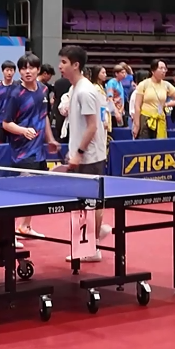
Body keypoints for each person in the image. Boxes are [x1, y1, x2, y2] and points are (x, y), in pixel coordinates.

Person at [58, 45, 111, 263]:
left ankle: (92, 247)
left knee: (90, 203)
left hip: (90, 156)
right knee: (84, 203)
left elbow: (92, 126)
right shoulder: (75, 89)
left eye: (64, 62)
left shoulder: (85, 91)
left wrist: (79, 153)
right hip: (82, 154)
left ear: (76, 65)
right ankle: (95, 238)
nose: (60, 66)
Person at [2, 53, 60, 241]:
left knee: (35, 191)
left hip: (39, 150)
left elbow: (44, 117)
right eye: (24, 68)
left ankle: (24, 227)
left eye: (31, 68)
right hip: (22, 151)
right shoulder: (15, 94)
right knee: (21, 193)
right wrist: (23, 131)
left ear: (38, 70)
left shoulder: (43, 90)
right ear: (20, 71)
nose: (27, 71)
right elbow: (6, 123)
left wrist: (50, 139)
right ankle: (5, 232)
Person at [132, 59, 175, 139]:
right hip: (145, 119)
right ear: (153, 71)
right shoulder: (143, 84)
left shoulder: (167, 85)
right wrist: (137, 125)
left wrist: (167, 104)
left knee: (159, 145)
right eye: (161, 68)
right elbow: (137, 106)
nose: (163, 71)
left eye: (165, 69)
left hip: (160, 119)